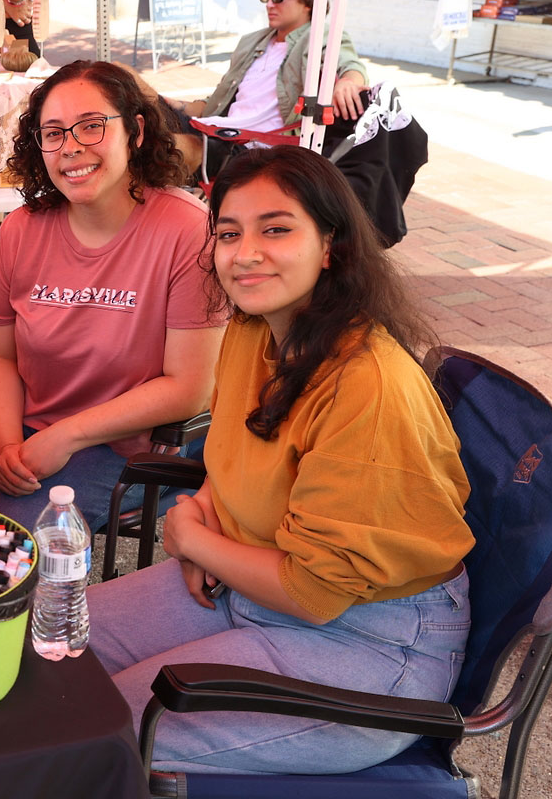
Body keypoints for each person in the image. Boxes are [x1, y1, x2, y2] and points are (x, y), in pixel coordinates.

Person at [86, 145, 474, 775]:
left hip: (369, 639)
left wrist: (193, 540)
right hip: (250, 574)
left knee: (103, 731)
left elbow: (313, 593)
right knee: (53, 650)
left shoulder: (366, 387)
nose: (245, 254)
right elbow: (231, 453)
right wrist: (206, 514)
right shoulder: (253, 328)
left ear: (331, 245)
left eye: (275, 230)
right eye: (228, 233)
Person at [0, 60, 224, 532]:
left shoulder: (188, 232)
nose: (71, 147)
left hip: (114, 440)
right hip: (14, 411)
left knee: (14, 547)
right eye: (53, 133)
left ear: (136, 132)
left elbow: (189, 386)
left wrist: (66, 436)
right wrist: (8, 445)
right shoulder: (20, 230)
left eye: (91, 126)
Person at [176, 0, 368, 132]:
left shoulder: (320, 36)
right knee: (160, 118)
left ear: (307, 4)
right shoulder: (251, 41)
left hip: (259, 145)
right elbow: (219, 100)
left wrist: (348, 82)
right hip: (218, 131)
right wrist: (174, 105)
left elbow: (351, 65)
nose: (269, 5)